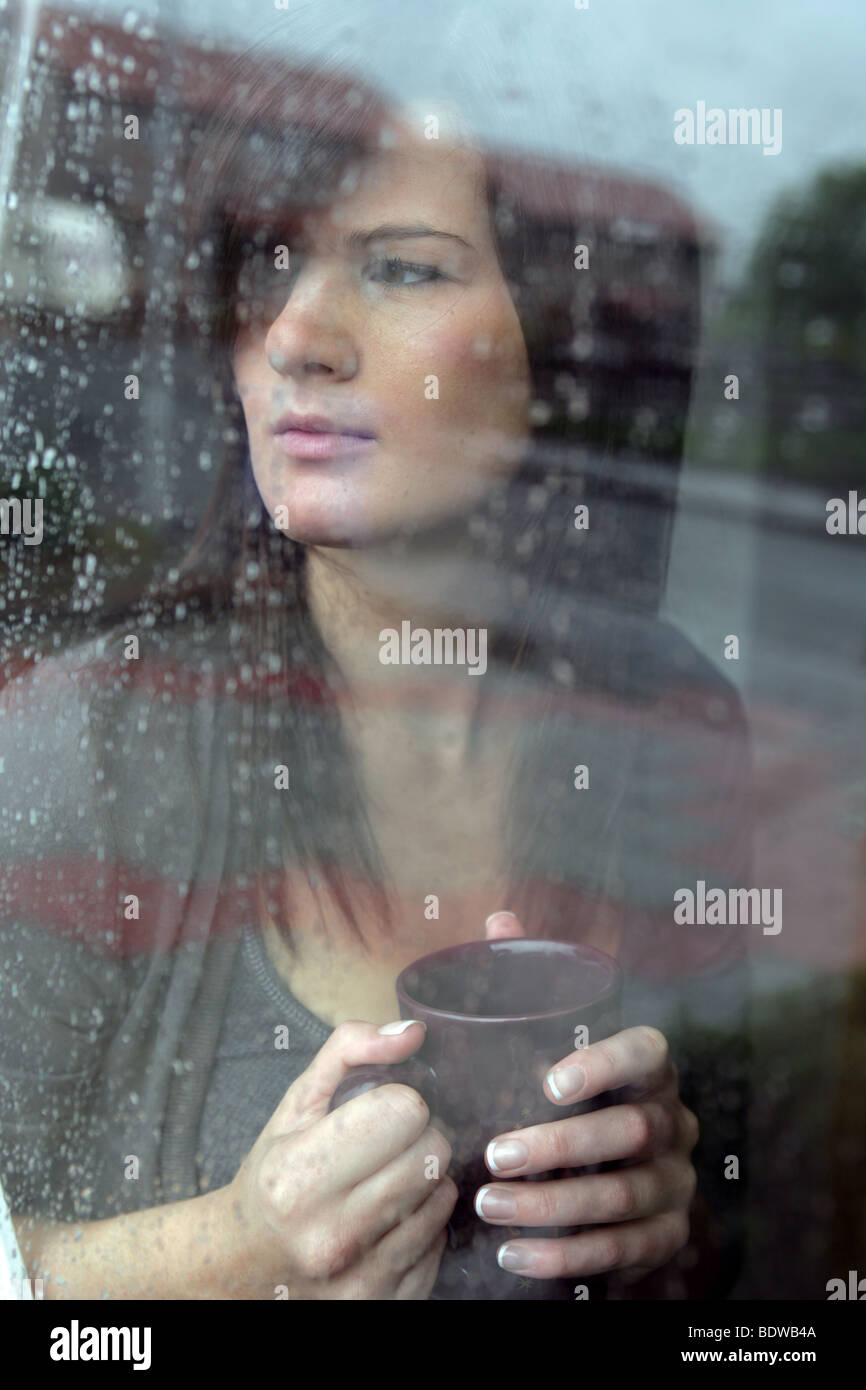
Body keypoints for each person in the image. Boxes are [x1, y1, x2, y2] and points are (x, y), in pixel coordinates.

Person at [0, 48, 752, 1300]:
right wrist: (238, 1256)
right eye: (263, 268)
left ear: (549, 350)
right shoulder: (85, 743)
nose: (297, 336)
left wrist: (669, 1211)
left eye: (400, 267)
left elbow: (747, 1270)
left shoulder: (667, 720)